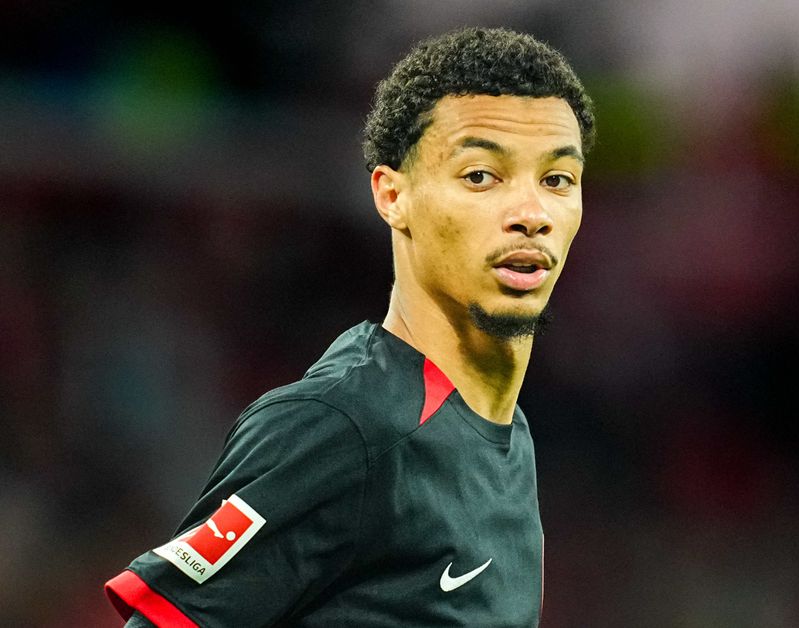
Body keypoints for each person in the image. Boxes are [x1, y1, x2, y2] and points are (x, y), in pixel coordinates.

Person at [103, 26, 595, 627]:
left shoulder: (506, 435)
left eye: (556, 180)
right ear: (392, 196)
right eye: (479, 176)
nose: (531, 215)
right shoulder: (343, 429)